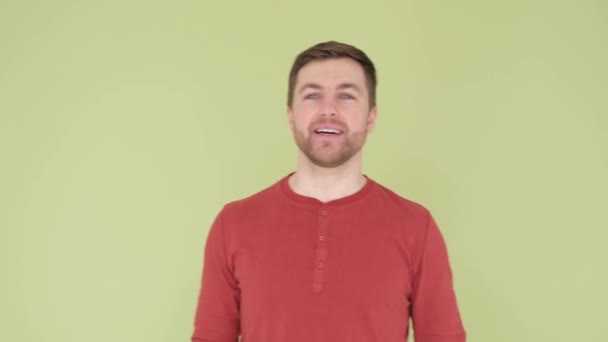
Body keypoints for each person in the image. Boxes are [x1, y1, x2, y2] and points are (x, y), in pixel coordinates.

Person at [191, 41, 466, 342]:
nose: (328, 109)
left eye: (346, 96)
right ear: (290, 114)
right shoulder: (233, 224)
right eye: (312, 95)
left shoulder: (416, 226)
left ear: (371, 117)